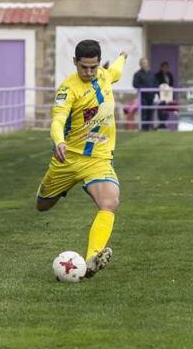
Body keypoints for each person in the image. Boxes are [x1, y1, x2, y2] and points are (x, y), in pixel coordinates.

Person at [36, 40, 127, 279]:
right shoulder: (68, 90)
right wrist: (59, 141)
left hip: (98, 159)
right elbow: (57, 121)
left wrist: (123, 57)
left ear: (99, 63)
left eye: (93, 67)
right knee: (43, 205)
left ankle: (92, 258)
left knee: (110, 202)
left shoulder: (104, 75)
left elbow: (116, 71)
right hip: (67, 159)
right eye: (83, 67)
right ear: (75, 62)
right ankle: (58, 188)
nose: (88, 72)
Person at [132, 57, 157, 131]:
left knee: (150, 111)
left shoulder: (152, 73)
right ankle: (143, 128)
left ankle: (149, 127)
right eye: (143, 63)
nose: (145, 64)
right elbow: (135, 84)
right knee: (144, 111)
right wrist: (144, 89)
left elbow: (156, 83)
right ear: (140, 64)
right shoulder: (137, 74)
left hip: (151, 96)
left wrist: (155, 92)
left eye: (146, 63)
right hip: (143, 97)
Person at [155, 61, 175, 129]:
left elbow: (171, 85)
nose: (165, 69)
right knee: (160, 109)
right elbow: (157, 85)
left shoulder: (170, 75)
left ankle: (164, 123)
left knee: (167, 109)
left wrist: (172, 96)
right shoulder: (157, 75)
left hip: (168, 96)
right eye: (164, 67)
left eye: (167, 67)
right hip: (160, 95)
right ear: (161, 68)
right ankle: (161, 124)